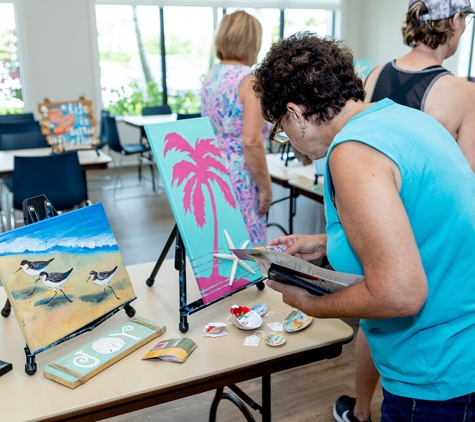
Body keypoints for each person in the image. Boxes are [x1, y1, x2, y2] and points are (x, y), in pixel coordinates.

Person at [252, 31, 475, 422]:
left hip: (434, 373)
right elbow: (422, 222)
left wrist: (312, 305)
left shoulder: (351, 152)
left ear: (297, 113)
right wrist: (326, 242)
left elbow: (401, 294)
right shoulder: (407, 119)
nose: (288, 138)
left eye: (282, 128)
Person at [335, 1, 475, 420]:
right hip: (427, 240)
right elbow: (466, 186)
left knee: (375, 318)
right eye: (465, 21)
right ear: (452, 22)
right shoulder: (462, 92)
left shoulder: (374, 74)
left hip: (376, 220)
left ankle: (361, 410)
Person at [201, 10, 272, 247]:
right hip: (239, 173)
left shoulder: (212, 75)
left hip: (211, 165)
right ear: (252, 41)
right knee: (244, 245)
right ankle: (246, 282)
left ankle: (222, 284)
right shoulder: (250, 81)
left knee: (219, 237)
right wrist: (265, 188)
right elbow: (251, 142)